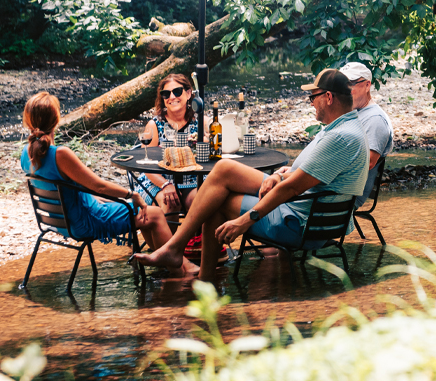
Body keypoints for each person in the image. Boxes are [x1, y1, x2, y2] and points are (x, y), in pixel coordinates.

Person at [135, 69, 370, 280]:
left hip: (301, 224)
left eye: (313, 98)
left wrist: (244, 220)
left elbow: (293, 188)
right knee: (221, 177)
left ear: (328, 98)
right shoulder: (342, 129)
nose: (311, 104)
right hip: (308, 213)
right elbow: (304, 175)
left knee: (216, 195)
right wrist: (278, 175)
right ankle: (190, 266)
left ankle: (190, 266)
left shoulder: (340, 137)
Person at [20, 92, 197, 276]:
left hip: (59, 222)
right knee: (154, 213)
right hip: (84, 222)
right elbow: (99, 186)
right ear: (56, 119)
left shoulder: (27, 153)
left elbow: (75, 190)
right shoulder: (60, 154)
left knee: (146, 215)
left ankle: (169, 264)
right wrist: (132, 195)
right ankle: (180, 273)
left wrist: (101, 199)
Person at [134, 74, 209, 228]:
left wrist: (208, 142)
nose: (172, 97)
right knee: (171, 202)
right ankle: (169, 248)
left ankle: (198, 247)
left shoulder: (201, 122)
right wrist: (165, 184)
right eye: (166, 94)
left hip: (192, 180)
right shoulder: (155, 125)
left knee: (202, 203)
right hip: (157, 181)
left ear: (188, 94)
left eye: (177, 91)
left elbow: (214, 154)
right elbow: (146, 165)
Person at [339, 62, 393, 208]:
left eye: (350, 84)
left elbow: (368, 163)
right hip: (334, 189)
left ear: (367, 85)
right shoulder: (354, 114)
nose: (344, 90)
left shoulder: (375, 119)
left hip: (345, 196)